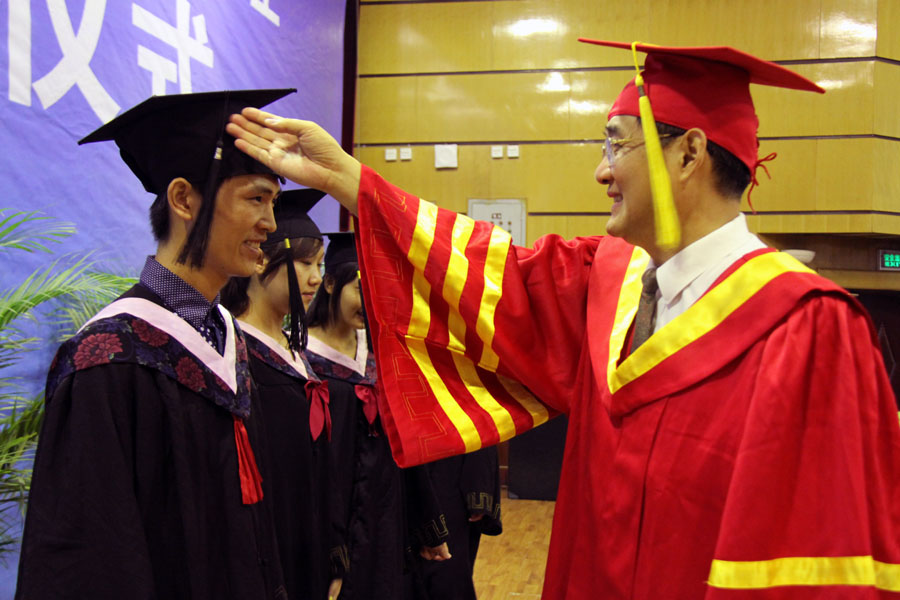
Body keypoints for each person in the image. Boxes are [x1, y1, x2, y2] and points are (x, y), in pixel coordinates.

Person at [226, 41, 900, 599]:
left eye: (616, 144)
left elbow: (813, 567)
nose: (601, 171)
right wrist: (347, 178)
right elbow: (482, 276)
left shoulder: (807, 331)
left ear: (690, 154)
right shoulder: (608, 283)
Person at [17, 89, 295, 600]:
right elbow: (89, 558)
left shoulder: (227, 340)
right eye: (256, 199)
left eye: (273, 202)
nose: (270, 225)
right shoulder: (108, 358)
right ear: (184, 199)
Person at [304, 233, 450, 600]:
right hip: (330, 520)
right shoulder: (302, 358)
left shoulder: (380, 353)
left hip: (384, 517)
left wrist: (427, 526)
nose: (368, 303)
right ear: (330, 283)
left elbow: (406, 445)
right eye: (360, 289)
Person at [220, 188, 346, 600]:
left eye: (320, 264)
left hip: (308, 538)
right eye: (305, 263)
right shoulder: (233, 351)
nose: (316, 278)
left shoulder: (295, 351)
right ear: (261, 261)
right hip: (267, 543)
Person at [414, 448, 502, 600]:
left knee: (449, 568)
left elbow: (479, 440)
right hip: (415, 476)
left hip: (452, 485)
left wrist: (478, 495)